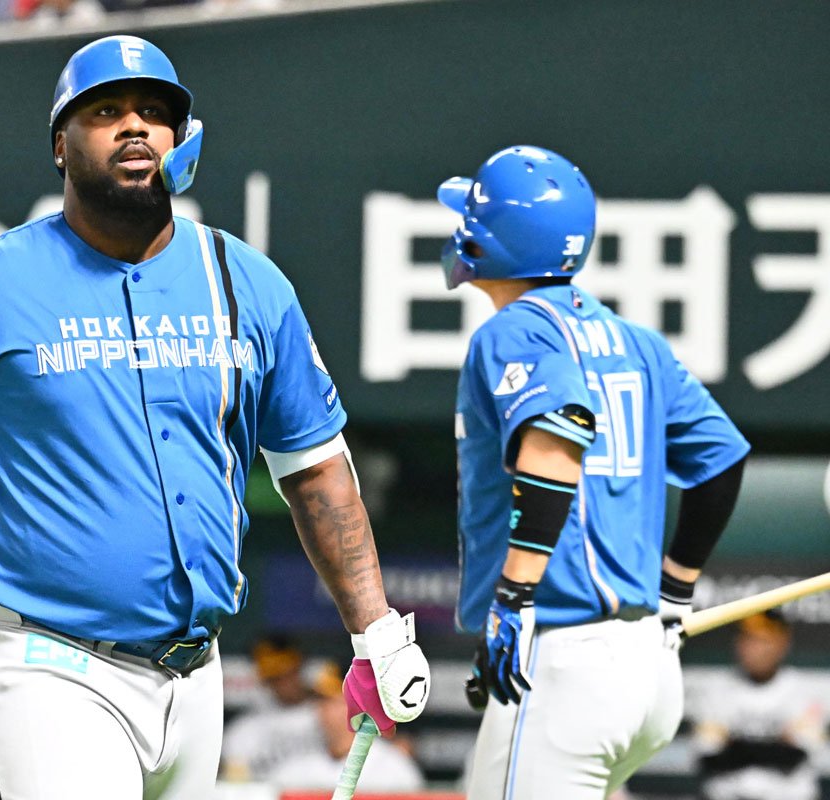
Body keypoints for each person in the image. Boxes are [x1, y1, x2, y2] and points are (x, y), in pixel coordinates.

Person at [0, 34, 430, 800]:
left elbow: (314, 470)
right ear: (60, 146)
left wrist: (374, 630)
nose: (135, 126)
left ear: (182, 139)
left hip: (195, 676)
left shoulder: (248, 283)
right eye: (106, 112)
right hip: (43, 664)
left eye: (154, 113)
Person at [437, 145, 750, 799]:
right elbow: (721, 460)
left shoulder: (513, 331)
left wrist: (514, 598)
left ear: (495, 239)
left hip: (563, 659)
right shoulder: (638, 342)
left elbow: (559, 435)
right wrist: (676, 592)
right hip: (646, 668)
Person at [688, 609, 825, 800]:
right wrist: (774, 745)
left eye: (762, 640)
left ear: (782, 644)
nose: (752, 649)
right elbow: (710, 757)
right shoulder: (716, 691)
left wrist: (736, 746)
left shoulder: (804, 692)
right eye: (747, 639)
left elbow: (794, 756)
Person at [267, 662, 424, 792]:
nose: (320, 709)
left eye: (330, 701)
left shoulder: (393, 769)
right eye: (319, 700)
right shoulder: (298, 767)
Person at [220, 634, 324, 781]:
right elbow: (234, 786)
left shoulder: (332, 716)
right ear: (264, 679)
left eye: (290, 672)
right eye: (276, 677)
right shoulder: (243, 732)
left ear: (301, 666)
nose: (285, 682)